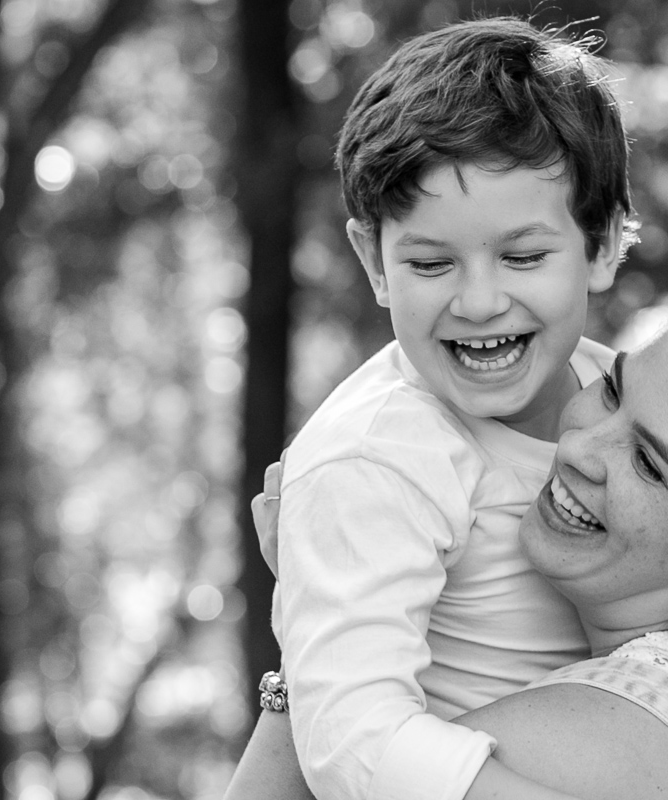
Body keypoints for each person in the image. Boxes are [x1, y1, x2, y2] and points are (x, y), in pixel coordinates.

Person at [226, 17, 639, 800]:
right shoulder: (379, 456)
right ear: (373, 263)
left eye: (522, 256)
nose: (479, 302)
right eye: (429, 262)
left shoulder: (621, 395)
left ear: (604, 244)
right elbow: (352, 735)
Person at [227, 327, 668, 799]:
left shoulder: (616, 721)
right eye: (610, 388)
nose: (577, 448)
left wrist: (321, 606)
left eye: (647, 464)